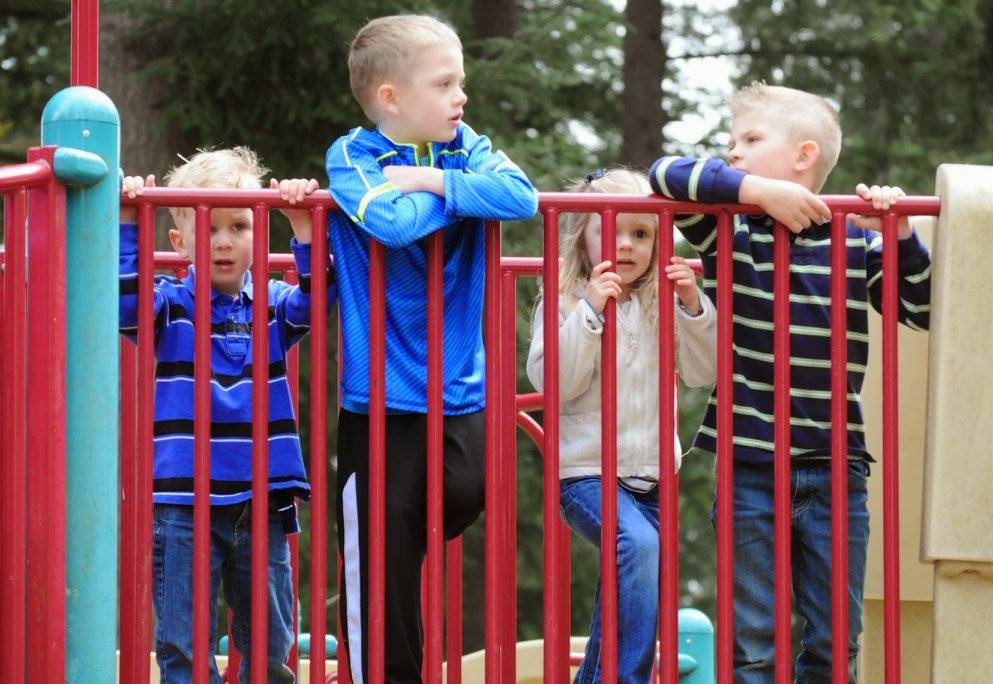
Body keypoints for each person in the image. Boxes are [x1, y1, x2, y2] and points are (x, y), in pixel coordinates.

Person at [649, 82, 932, 682]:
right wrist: (756, 190)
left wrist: (902, 233)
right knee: (752, 640)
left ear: (805, 155)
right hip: (750, 467)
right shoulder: (730, 230)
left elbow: (920, 308)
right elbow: (664, 175)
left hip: (836, 470)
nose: (733, 152)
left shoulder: (856, 238)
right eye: (732, 143)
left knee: (835, 641)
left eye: (751, 140)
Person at [324, 14, 539, 683]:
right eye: (444, 84)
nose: (460, 97)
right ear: (391, 98)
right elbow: (389, 224)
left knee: (465, 494)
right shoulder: (352, 157)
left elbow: (521, 197)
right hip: (378, 397)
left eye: (460, 83)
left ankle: (395, 546)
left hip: (458, 388)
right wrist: (465, 200)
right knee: (381, 573)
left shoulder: (465, 147)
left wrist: (434, 184)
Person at [119, 147, 326, 683]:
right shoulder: (170, 305)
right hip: (184, 500)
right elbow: (126, 308)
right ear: (179, 242)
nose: (224, 241)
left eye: (238, 226)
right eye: (208, 229)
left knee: (271, 643)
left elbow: (319, 302)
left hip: (263, 497)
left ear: (258, 233)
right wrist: (127, 223)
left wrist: (303, 227)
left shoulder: (274, 304)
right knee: (183, 645)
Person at [526, 168, 717, 683]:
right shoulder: (566, 299)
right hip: (586, 472)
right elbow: (553, 382)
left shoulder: (663, 304)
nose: (627, 244)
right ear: (583, 240)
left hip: (652, 477)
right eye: (611, 230)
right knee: (639, 548)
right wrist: (591, 311)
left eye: (641, 233)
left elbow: (704, 370)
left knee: (640, 572)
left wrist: (693, 306)